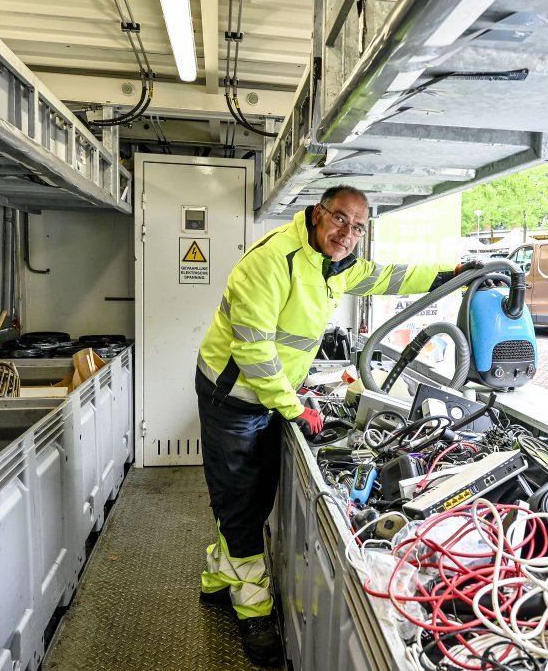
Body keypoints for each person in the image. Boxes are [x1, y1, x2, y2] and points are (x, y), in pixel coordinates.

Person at [193, 185, 462, 666]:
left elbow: (389, 277)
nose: (348, 233)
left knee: (247, 496)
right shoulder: (274, 260)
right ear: (318, 214)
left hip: (272, 395)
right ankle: (253, 612)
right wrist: (293, 408)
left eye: (359, 227)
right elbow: (255, 350)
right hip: (233, 395)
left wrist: (451, 273)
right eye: (341, 220)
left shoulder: (338, 264)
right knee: (239, 496)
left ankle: (218, 578)